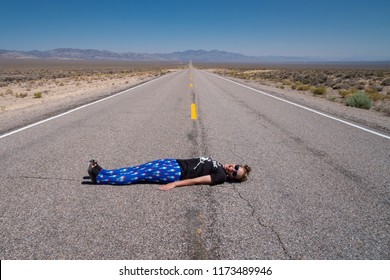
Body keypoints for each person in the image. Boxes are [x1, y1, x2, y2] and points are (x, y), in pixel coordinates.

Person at [87, 157, 251, 191]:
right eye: (236, 167)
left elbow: (197, 180)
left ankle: (100, 178)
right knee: (138, 168)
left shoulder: (220, 176)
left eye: (235, 173)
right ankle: (104, 172)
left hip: (176, 173)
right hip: (174, 163)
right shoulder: (220, 165)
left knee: (139, 175)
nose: (233, 169)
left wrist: (175, 184)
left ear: (231, 178)